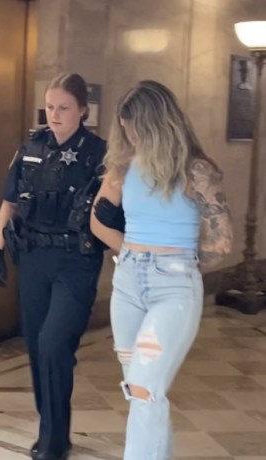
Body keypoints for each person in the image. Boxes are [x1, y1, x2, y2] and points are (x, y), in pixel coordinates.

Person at [91, 80, 233, 460]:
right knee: (142, 390)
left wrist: (180, 264)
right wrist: (134, 252)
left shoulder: (195, 171)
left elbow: (222, 242)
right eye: (123, 127)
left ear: (154, 123)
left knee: (144, 388)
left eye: (132, 126)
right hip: (127, 285)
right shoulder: (122, 169)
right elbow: (98, 222)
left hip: (172, 288)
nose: (127, 134)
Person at [0, 73, 107, 460]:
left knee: (56, 344)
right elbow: (10, 200)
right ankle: (52, 430)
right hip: (35, 257)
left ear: (83, 111)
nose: (55, 115)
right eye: (50, 107)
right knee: (38, 346)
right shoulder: (32, 146)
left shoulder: (98, 154)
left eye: (64, 107)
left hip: (77, 260)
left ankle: (54, 441)